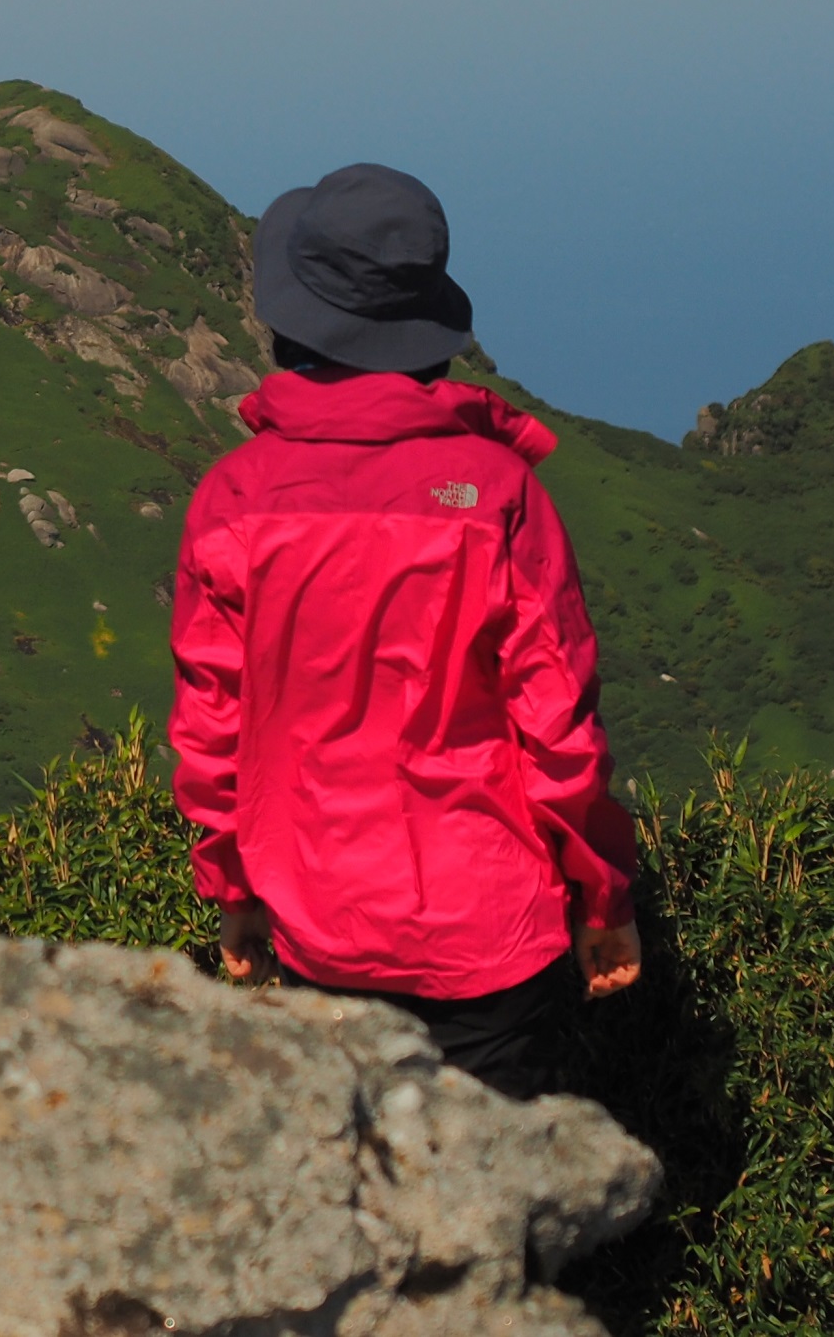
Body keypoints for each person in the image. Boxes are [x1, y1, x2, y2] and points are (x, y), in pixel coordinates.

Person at [169, 161, 642, 1099]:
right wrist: (604, 896)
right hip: (490, 932)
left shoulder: (234, 499)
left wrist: (233, 889)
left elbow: (212, 729)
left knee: (347, 1175)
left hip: (316, 922)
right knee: (490, 1185)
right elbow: (558, 730)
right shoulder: (497, 493)